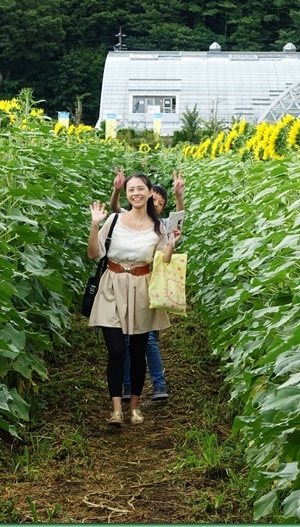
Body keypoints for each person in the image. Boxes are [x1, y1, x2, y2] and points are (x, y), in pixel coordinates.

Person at [88, 173, 182, 427]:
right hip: (112, 285)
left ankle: (135, 408)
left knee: (138, 350)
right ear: (126, 194)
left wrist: (172, 244)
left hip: (142, 287)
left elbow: (162, 260)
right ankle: (116, 409)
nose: (135, 193)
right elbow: (94, 254)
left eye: (140, 188)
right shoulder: (115, 220)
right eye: (131, 189)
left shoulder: (157, 226)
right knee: (117, 350)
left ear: (150, 192)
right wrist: (95, 224)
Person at [110, 168, 185, 402]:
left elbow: (179, 219)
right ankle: (127, 385)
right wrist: (117, 189)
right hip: (126, 284)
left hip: (150, 285)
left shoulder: (159, 225)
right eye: (155, 199)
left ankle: (158, 384)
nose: (157, 204)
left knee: (147, 339)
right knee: (123, 340)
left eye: (162, 203)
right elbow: (115, 209)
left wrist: (179, 195)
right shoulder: (129, 219)